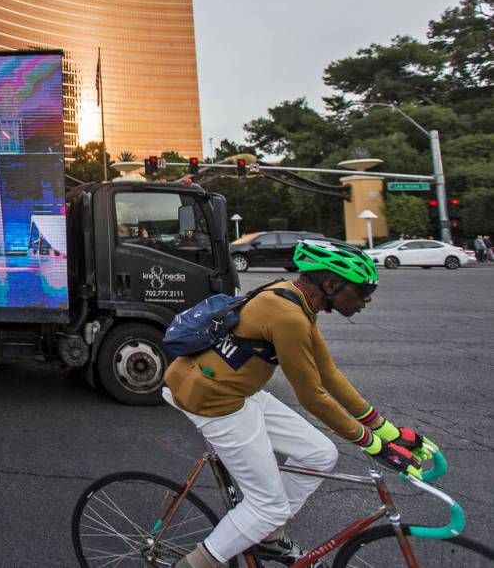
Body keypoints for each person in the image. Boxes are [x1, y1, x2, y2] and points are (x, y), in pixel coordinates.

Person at [167, 240, 429, 568]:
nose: (366, 300)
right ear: (332, 284)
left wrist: (385, 430)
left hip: (235, 390)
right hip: (213, 400)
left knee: (319, 454)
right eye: (362, 291)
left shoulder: (297, 298)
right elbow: (312, 396)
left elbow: (327, 373)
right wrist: (374, 445)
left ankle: (265, 534)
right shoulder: (288, 314)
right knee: (266, 506)